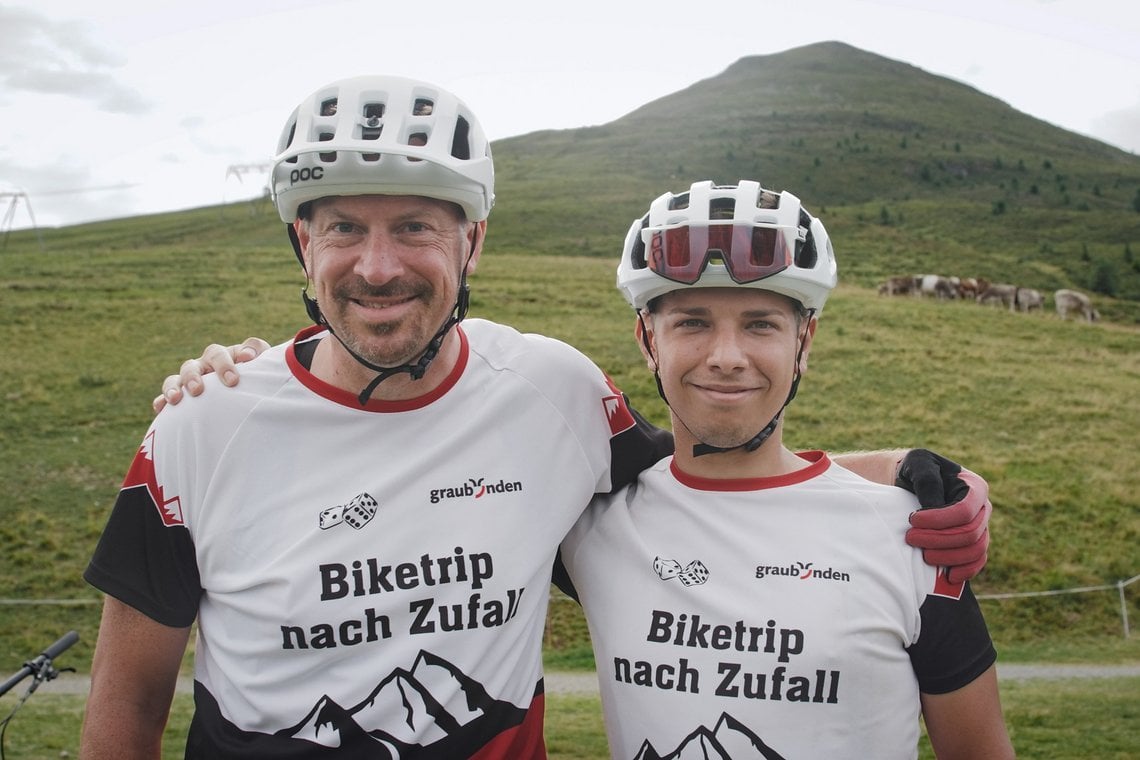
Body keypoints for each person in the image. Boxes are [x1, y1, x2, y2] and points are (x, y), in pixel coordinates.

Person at [81, 76, 990, 759]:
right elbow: (126, 706)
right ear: (301, 242)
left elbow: (708, 467)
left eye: (417, 228)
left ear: (471, 240)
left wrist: (910, 476)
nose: (380, 265)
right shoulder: (202, 426)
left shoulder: (553, 390)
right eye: (344, 229)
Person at [557, 180, 1014, 758]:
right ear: (648, 339)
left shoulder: (910, 536)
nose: (726, 357)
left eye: (760, 324)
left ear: (806, 340)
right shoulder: (589, 526)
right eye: (692, 322)